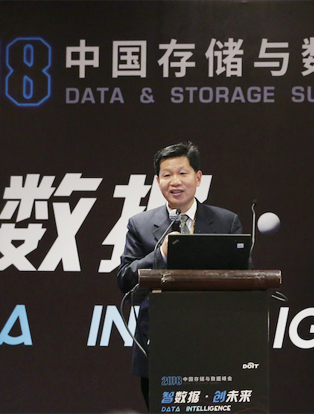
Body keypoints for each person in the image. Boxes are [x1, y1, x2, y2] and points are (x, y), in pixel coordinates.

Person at [116, 141, 243, 410]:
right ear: (157, 181)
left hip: (213, 341)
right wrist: (160, 254)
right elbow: (125, 279)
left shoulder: (226, 222)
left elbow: (243, 279)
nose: (175, 181)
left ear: (198, 178)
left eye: (183, 173)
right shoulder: (140, 225)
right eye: (167, 175)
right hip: (159, 342)